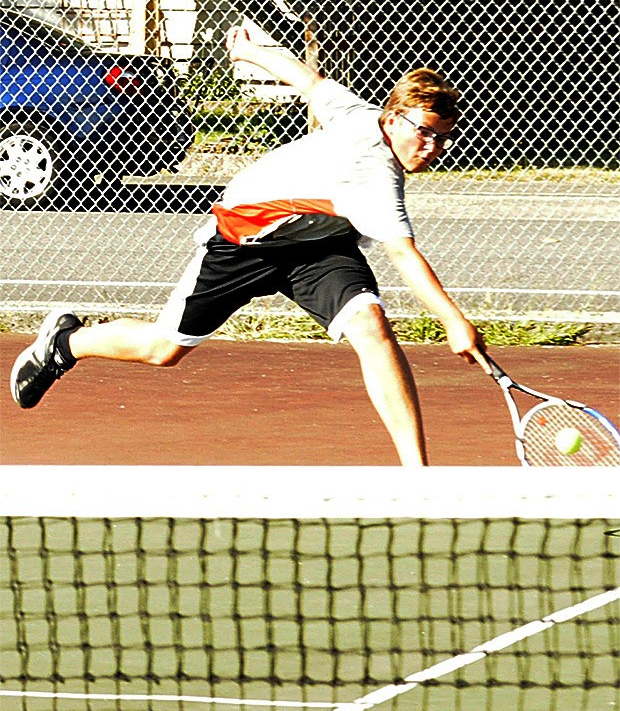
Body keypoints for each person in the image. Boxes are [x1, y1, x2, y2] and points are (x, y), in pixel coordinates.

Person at [10, 26, 490, 467]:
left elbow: (308, 80)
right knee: (163, 350)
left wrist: (251, 52)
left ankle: (418, 476)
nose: (432, 146)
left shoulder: (359, 112)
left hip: (317, 246)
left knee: (371, 326)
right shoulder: (373, 173)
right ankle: (65, 344)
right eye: (423, 132)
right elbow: (404, 254)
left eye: (442, 137)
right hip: (245, 242)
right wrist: (453, 321)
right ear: (393, 120)